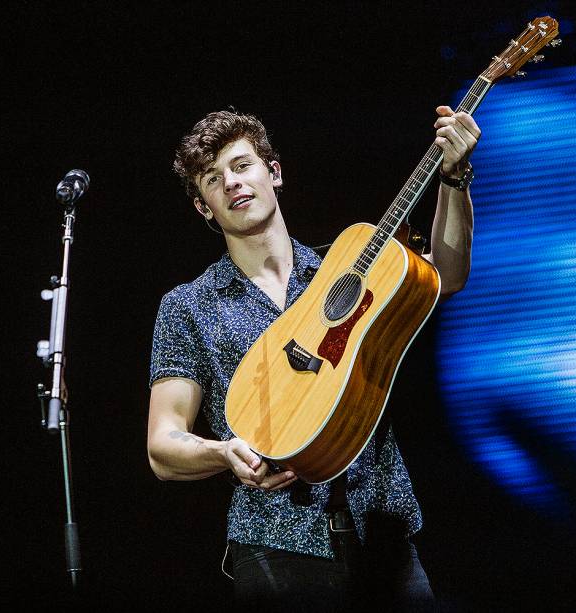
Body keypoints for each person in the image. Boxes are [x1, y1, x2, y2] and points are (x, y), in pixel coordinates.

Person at [146, 106, 478, 610]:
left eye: (241, 165)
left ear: (274, 173)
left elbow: (445, 275)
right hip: (275, 546)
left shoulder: (343, 269)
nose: (232, 182)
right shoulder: (189, 305)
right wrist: (223, 453)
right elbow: (163, 445)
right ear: (204, 208)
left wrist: (453, 178)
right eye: (213, 179)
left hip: (381, 534)